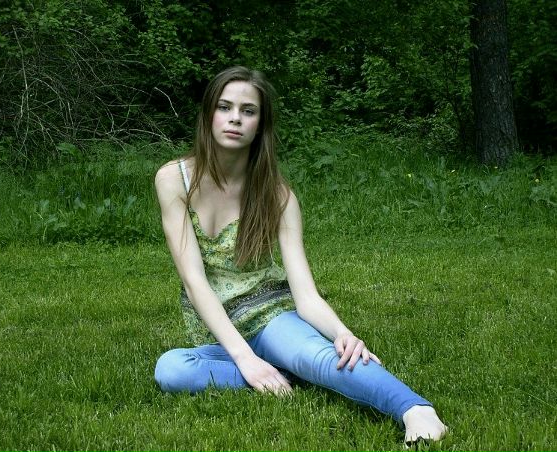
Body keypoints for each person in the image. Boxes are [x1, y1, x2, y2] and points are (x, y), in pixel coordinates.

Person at [153, 66, 447, 445]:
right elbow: (194, 280)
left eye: (248, 111)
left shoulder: (278, 195)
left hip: (269, 316)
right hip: (219, 330)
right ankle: (284, 371)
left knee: (322, 359)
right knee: (172, 369)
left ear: (260, 124)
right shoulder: (174, 179)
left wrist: (342, 333)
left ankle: (416, 410)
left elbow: (305, 294)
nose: (235, 118)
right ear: (208, 114)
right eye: (225, 107)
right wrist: (245, 358)